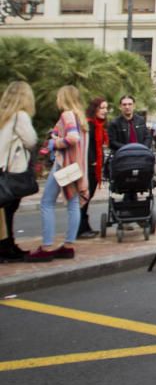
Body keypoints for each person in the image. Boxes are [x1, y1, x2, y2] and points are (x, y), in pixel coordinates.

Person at [27, 85, 89, 262]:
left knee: (47, 202)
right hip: (77, 168)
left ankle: (46, 247)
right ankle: (69, 245)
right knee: (73, 203)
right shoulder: (81, 118)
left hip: (64, 165)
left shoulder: (67, 115)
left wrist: (54, 144)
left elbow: (72, 138)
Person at [0, 81, 38, 262]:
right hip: (14, 171)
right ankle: (7, 247)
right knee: (10, 208)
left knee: (4, 211)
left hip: (2, 169)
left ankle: (7, 245)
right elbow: (31, 140)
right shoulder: (20, 116)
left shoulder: (4, 115)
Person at [77, 97, 109, 239]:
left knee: (87, 198)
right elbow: (86, 145)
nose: (105, 111)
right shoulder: (89, 125)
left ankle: (84, 226)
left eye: (106, 108)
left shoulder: (99, 125)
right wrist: (92, 161)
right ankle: (80, 229)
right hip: (88, 167)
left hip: (94, 166)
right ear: (94, 109)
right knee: (84, 197)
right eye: (102, 108)